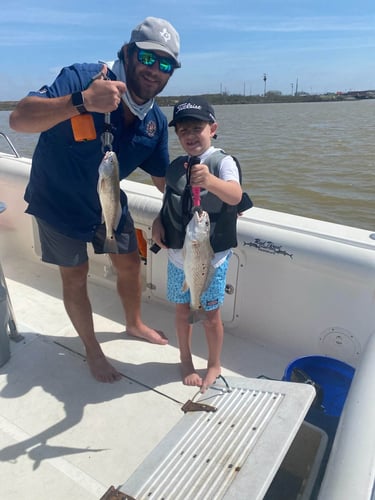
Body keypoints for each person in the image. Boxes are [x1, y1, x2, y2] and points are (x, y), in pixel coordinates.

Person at [9, 17, 181, 383]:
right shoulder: (82, 78)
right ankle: (92, 349)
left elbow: (163, 179)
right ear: (128, 53)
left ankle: (133, 323)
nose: (154, 70)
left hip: (107, 202)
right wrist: (81, 102)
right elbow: (19, 120)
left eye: (165, 64)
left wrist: (191, 200)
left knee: (131, 265)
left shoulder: (154, 121)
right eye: (148, 58)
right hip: (56, 200)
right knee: (76, 277)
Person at [152, 97, 243, 392]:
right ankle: (186, 358)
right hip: (180, 256)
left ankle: (214, 363)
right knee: (182, 312)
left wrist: (211, 181)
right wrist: (157, 221)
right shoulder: (176, 165)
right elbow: (171, 202)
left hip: (210, 259)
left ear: (213, 128)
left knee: (211, 316)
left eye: (196, 128)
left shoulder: (222, 162)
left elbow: (235, 195)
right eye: (182, 131)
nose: (190, 136)